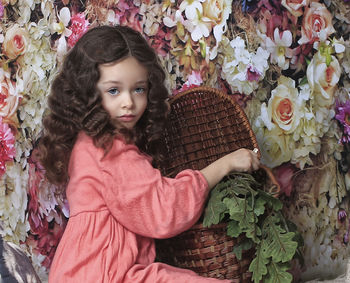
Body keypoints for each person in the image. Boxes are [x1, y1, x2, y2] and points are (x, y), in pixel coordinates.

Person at [39, 25, 260, 283]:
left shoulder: (90, 141)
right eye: (114, 90)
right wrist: (224, 164)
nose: (128, 102)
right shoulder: (108, 149)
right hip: (105, 275)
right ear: (88, 91)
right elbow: (164, 210)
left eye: (138, 89)